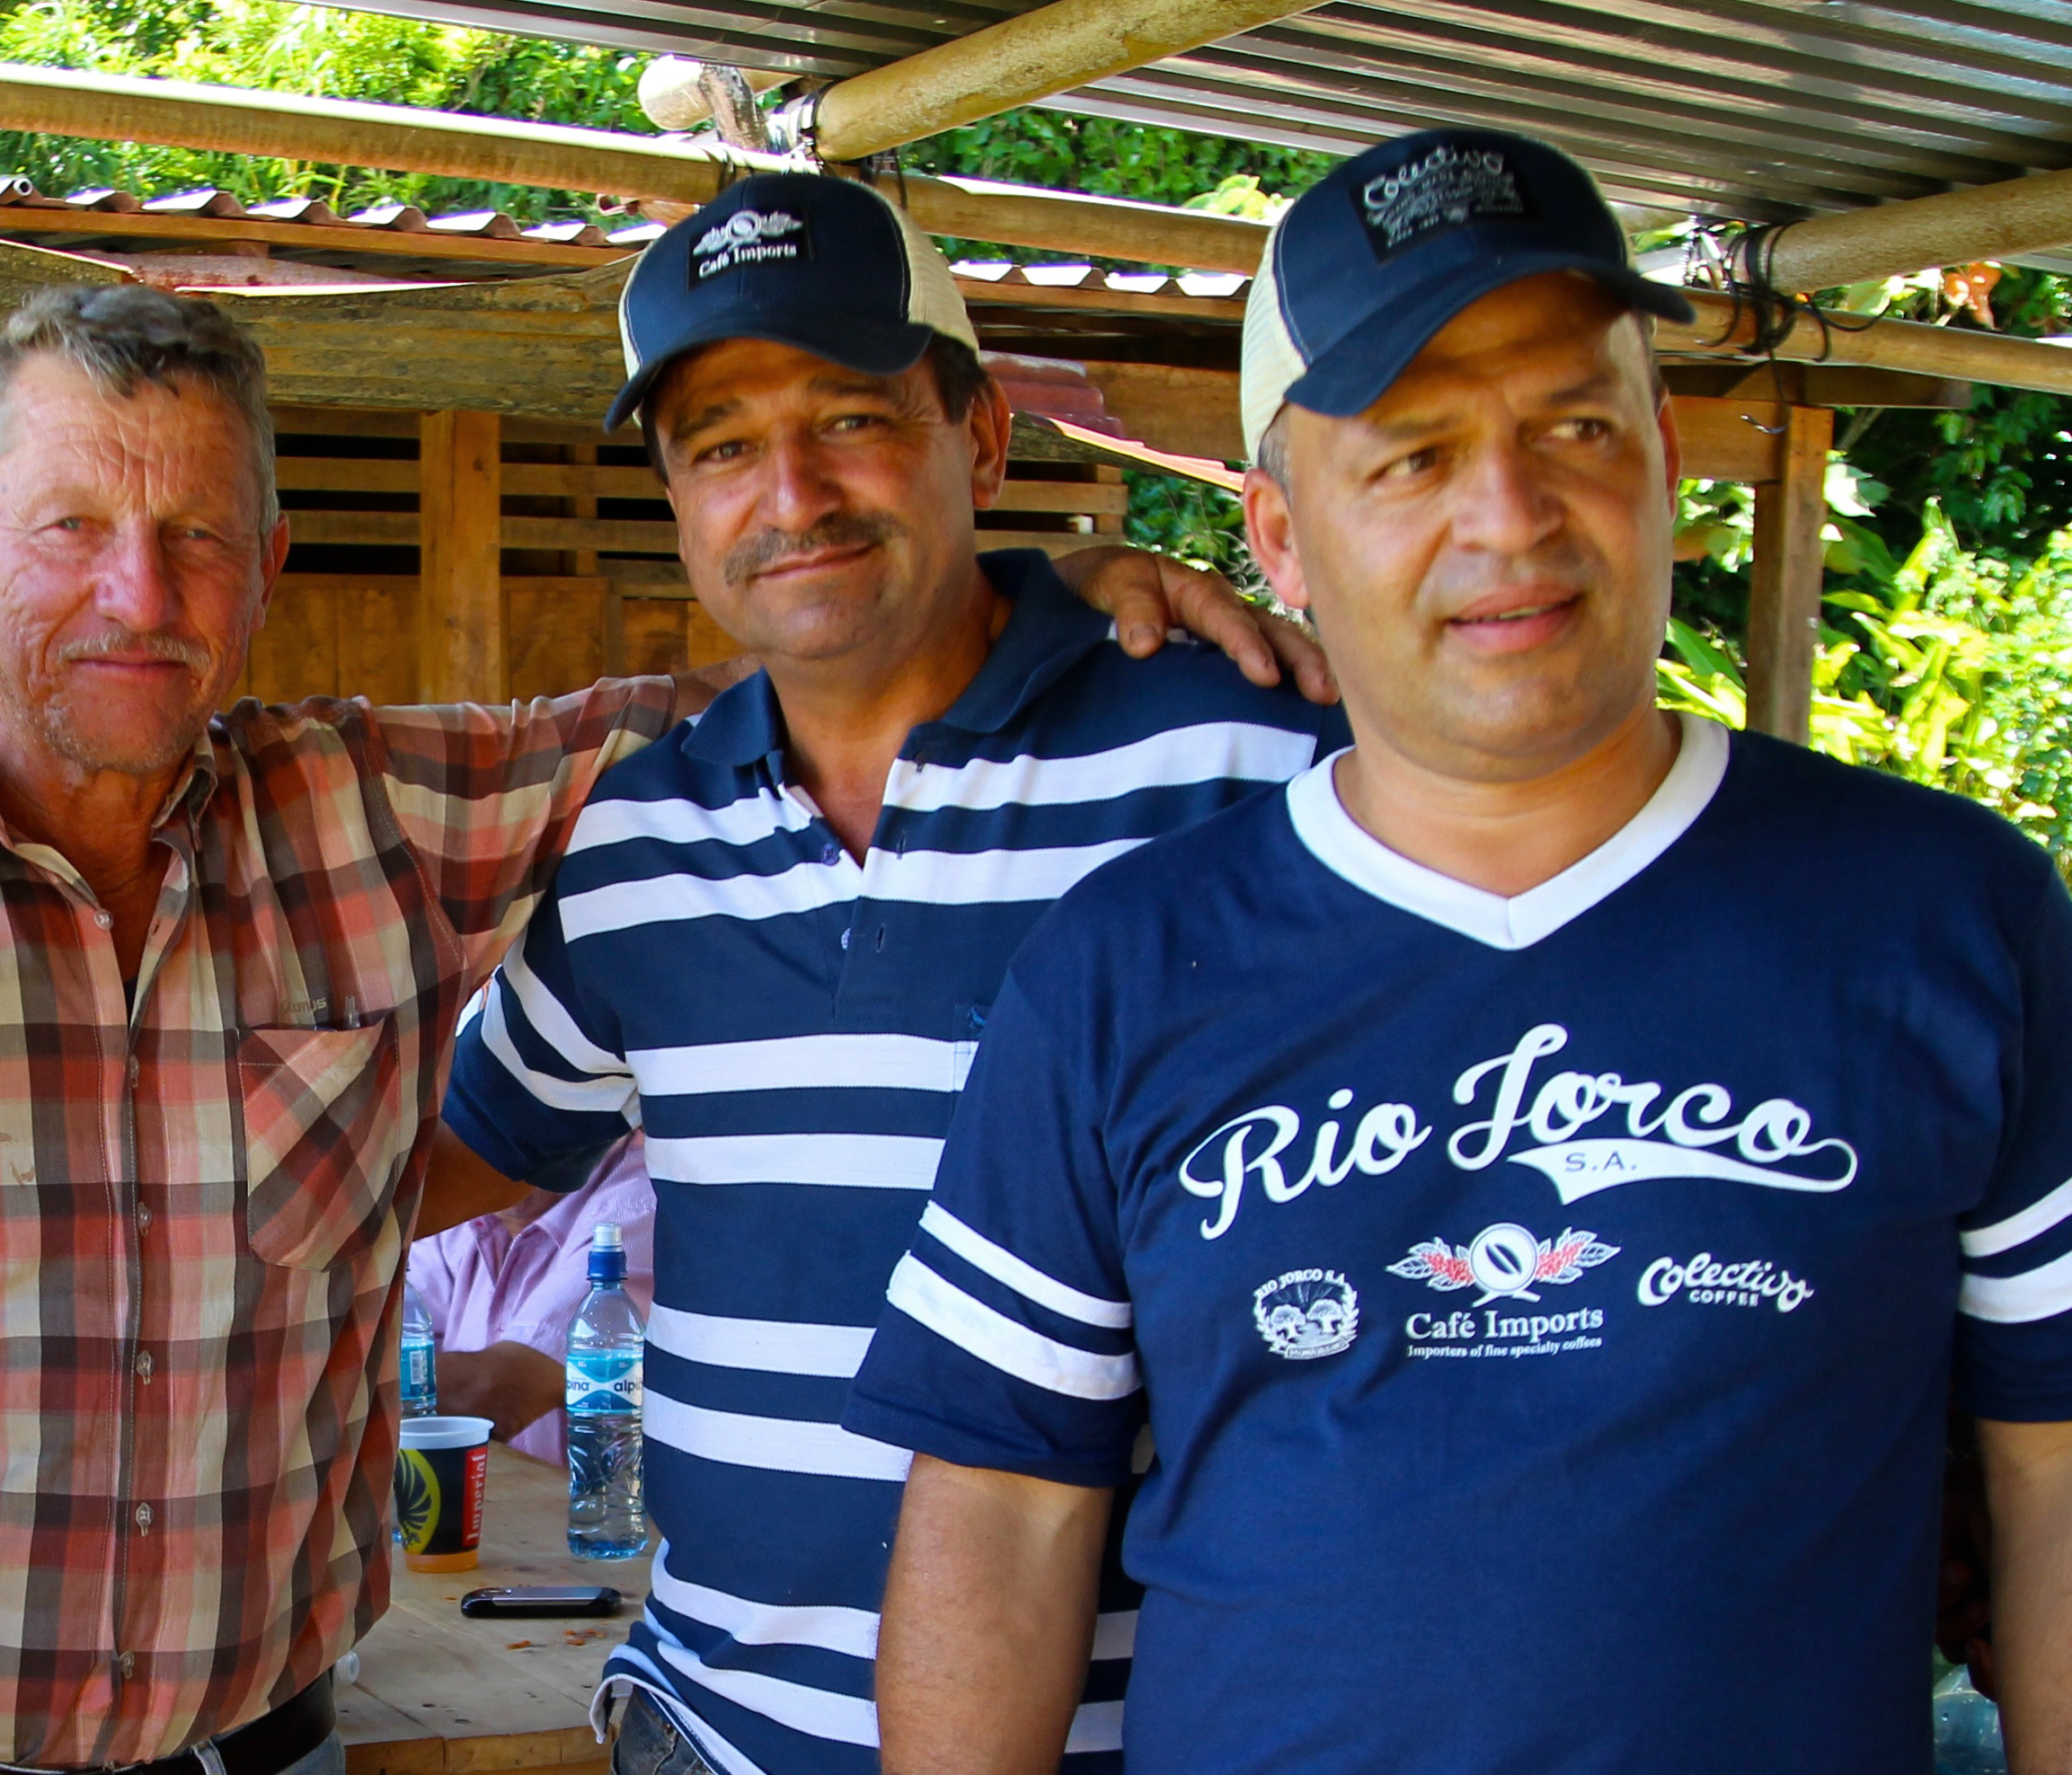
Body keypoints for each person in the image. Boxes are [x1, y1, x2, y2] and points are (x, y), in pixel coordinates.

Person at [0, 284, 1297, 1775]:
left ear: (269, 565)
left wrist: (1051, 596)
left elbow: (801, 669)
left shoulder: (372, 815)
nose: (138, 595)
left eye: (197, 536)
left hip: (267, 1744)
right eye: (68, 527)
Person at [845, 128, 2072, 1775]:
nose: (1508, 516)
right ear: (1280, 536)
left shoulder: (1949, 915)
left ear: (1663, 458)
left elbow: (2052, 1468)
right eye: (1411, 457)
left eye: (1573, 426)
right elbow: (998, 1503)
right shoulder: (1123, 965)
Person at [418, 171, 1348, 1775]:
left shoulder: (1241, 761)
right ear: (674, 497)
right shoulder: (640, 836)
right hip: (710, 1731)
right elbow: (453, 1153)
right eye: (720, 446)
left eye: (849, 418)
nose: (790, 492)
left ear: (978, 438)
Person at [410, 1134, 655, 1462]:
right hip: (507, 1491)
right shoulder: (466, 1203)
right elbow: (399, 1344)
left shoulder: (642, 1199)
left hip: (606, 1495)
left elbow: (492, 1392)